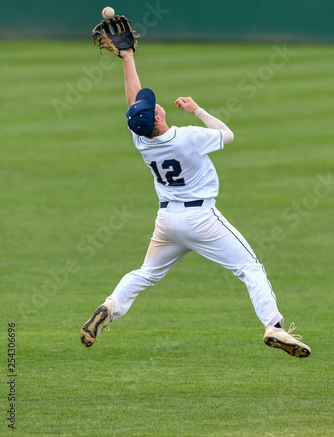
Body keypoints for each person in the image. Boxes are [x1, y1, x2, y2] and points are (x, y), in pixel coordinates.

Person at [80, 46, 311, 358]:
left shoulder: (142, 139)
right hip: (201, 219)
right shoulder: (187, 136)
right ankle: (274, 326)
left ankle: (110, 306)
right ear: (159, 117)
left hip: (167, 223)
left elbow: (135, 104)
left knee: (146, 274)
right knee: (249, 267)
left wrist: (128, 57)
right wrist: (197, 110)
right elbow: (227, 135)